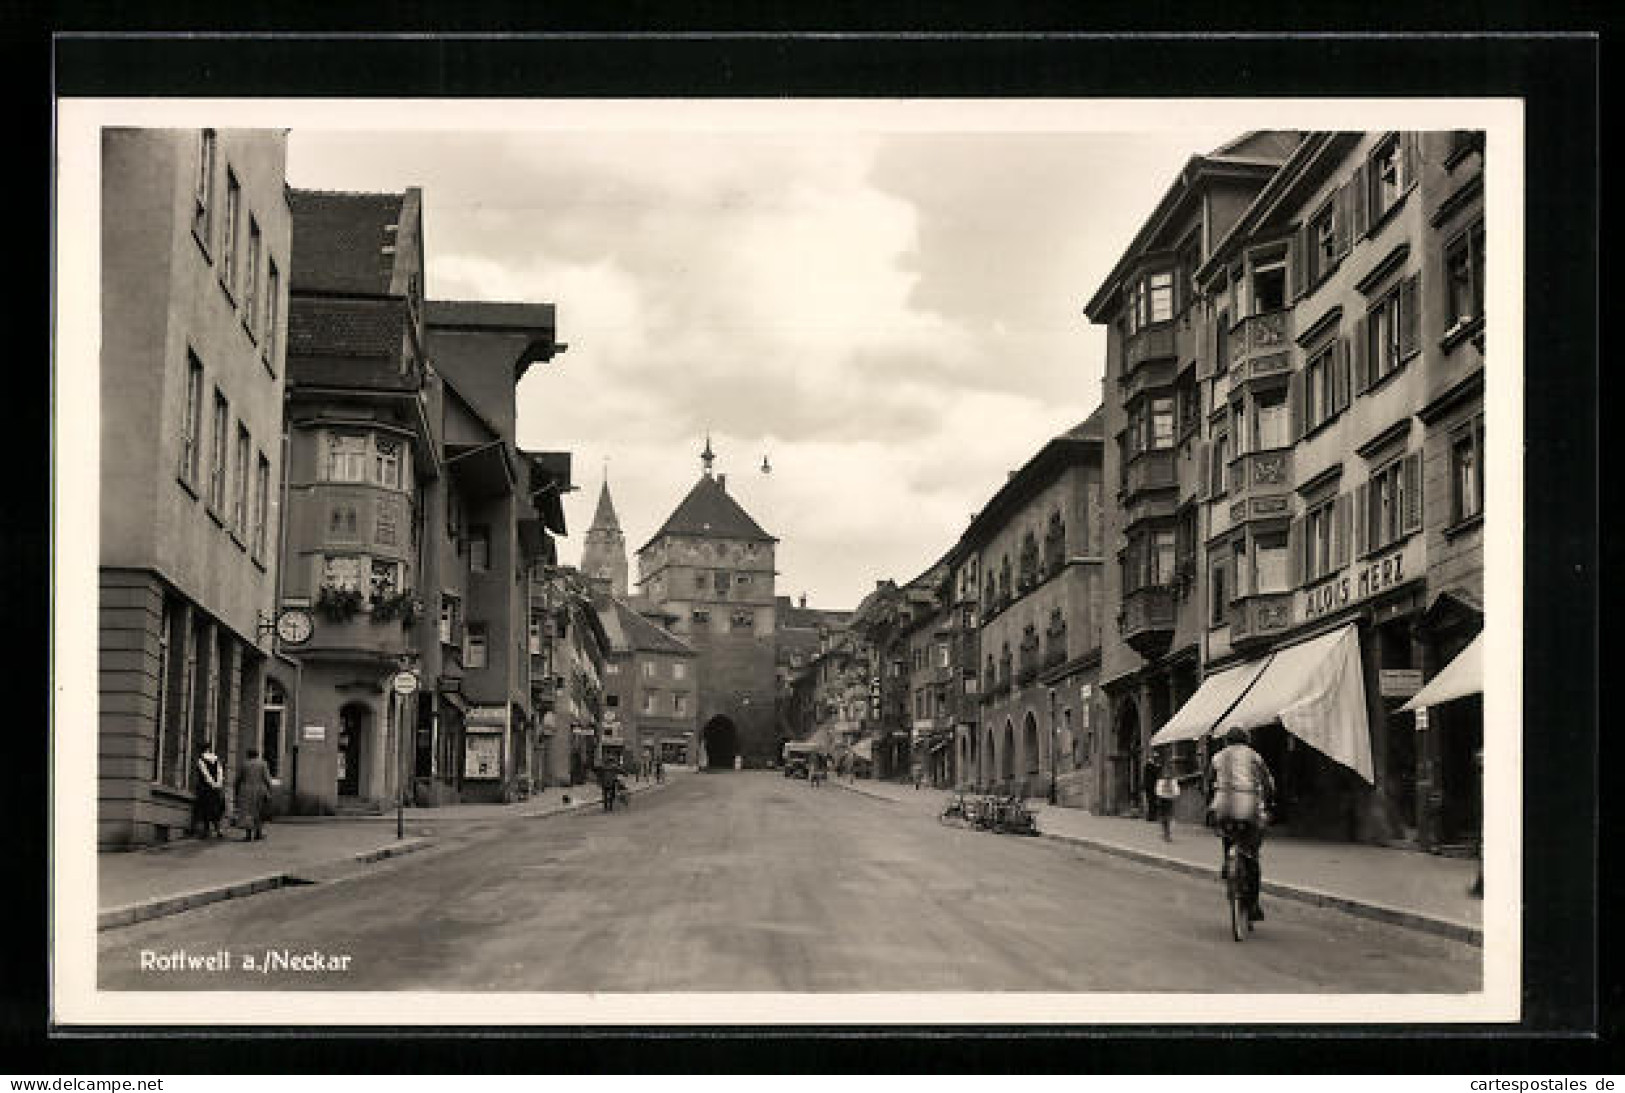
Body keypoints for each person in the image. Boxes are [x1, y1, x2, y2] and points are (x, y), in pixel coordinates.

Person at [1207, 725, 1276, 922]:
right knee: (1251, 852)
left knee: (1227, 831)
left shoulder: (1217, 757)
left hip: (1222, 807)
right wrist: (1270, 802)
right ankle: (1253, 905)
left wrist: (1210, 802)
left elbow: (1207, 782)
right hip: (1248, 806)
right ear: (1246, 741)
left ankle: (1227, 862)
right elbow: (1268, 782)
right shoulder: (1254, 756)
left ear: (1226, 741)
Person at [234, 748, 273, 842]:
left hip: (246, 791)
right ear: (257, 754)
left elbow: (238, 778)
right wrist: (269, 790)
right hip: (260, 790)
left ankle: (248, 835)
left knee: (247, 812)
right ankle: (258, 833)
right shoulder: (263, 764)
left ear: (248, 755)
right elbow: (267, 778)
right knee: (259, 811)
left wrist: (236, 790)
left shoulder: (244, 764)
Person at [192, 742, 226, 839]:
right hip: (216, 788)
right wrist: (218, 784)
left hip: (205, 788)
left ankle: (206, 831)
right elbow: (220, 772)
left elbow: (205, 773)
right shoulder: (216, 759)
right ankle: (219, 829)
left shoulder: (201, 760)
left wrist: (211, 784)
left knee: (205, 808)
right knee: (216, 808)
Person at [1154, 752, 1181, 842]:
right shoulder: (1164, 781)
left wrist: (1171, 795)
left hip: (1166, 799)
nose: (1167, 775)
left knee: (1166, 816)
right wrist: (1173, 794)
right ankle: (1166, 832)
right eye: (1166, 773)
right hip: (1165, 799)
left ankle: (1167, 833)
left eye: (1168, 773)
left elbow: (1158, 791)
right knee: (1165, 816)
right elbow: (1176, 791)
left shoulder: (1168, 781)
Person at [1142, 753, 1162, 823]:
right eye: (1155, 758)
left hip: (1152, 786)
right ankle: (1151, 816)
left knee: (1152, 801)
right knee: (1151, 801)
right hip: (1151, 787)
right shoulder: (1149, 766)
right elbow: (1152, 776)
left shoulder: (1149, 766)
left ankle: (1152, 816)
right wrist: (1157, 768)